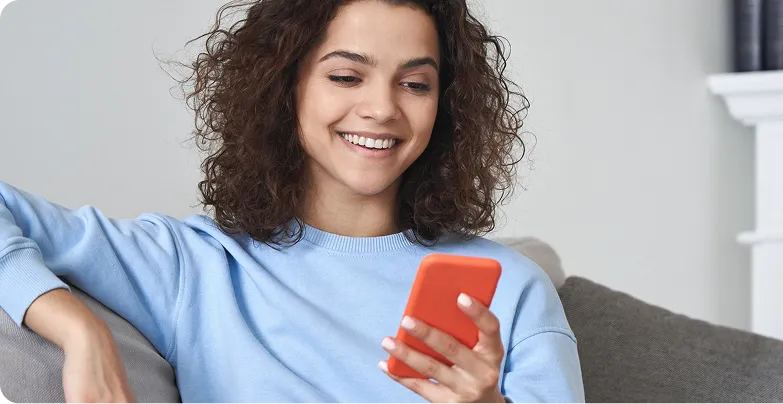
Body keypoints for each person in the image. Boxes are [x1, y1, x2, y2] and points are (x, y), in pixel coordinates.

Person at [0, 0, 585, 402]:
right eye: (346, 76)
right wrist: (79, 331)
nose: (382, 108)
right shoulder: (196, 266)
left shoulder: (511, 288)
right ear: (287, 87)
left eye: (415, 83)